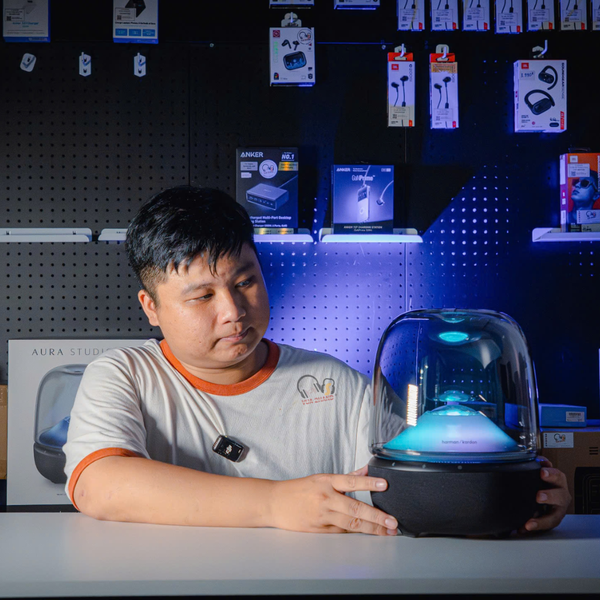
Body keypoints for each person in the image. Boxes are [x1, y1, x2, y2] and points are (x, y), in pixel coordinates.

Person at [63, 185, 570, 536]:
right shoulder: (125, 374)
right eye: (202, 297)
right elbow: (101, 485)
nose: (233, 311)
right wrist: (275, 503)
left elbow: (426, 485)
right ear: (151, 307)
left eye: (245, 281)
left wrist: (523, 498)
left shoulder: (333, 383)